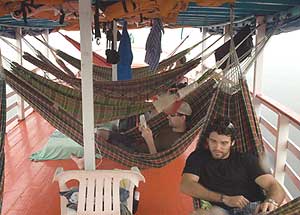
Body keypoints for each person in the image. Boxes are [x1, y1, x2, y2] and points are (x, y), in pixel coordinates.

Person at [180, 117, 285, 215]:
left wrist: (270, 202)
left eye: (224, 143)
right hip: (221, 211)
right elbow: (186, 185)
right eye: (213, 141)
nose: (217, 147)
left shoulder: (246, 160)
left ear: (232, 143)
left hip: (253, 208)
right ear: (208, 140)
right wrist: (224, 198)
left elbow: (274, 186)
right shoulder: (198, 158)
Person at [97, 100, 192, 154]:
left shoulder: (178, 141)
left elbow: (156, 161)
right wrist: (144, 132)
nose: (168, 117)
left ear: (183, 118)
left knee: (101, 143)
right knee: (101, 133)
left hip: (137, 155)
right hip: (135, 142)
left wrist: (149, 139)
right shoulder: (169, 127)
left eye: (172, 115)